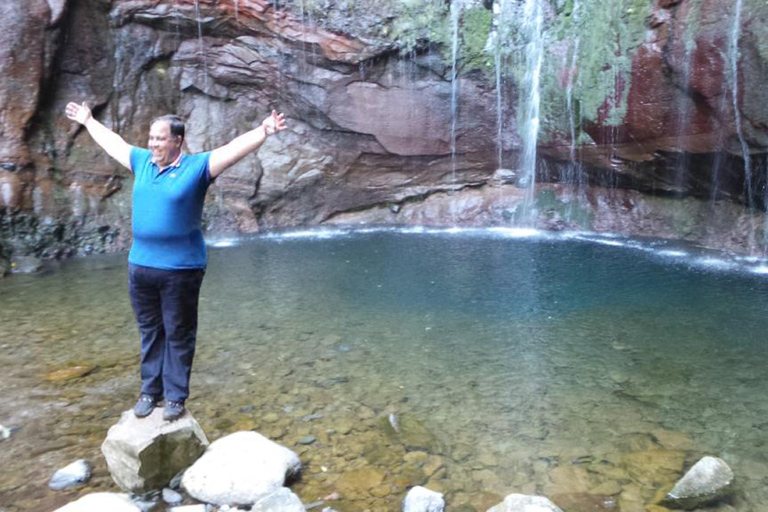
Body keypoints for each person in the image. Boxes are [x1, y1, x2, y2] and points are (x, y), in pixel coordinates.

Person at [65, 102, 287, 420]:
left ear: (177, 141)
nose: (153, 143)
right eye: (151, 138)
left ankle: (175, 398)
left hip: (181, 269)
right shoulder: (141, 161)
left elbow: (232, 149)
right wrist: (88, 121)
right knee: (150, 331)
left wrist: (263, 131)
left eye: (160, 138)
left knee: (179, 332)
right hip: (140, 265)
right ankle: (149, 392)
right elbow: (115, 142)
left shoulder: (197, 168)